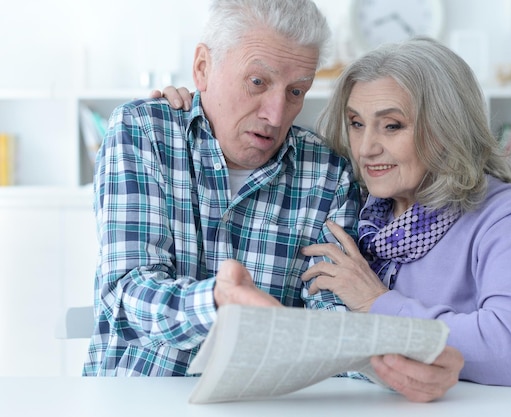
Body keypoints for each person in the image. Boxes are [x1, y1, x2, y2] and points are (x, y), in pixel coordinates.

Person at [85, 0, 462, 402]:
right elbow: (126, 294)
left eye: (297, 90)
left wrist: (400, 367)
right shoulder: (143, 131)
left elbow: (329, 319)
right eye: (257, 82)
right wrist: (218, 302)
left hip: (264, 405)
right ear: (202, 69)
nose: (276, 113)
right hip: (136, 395)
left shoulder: (327, 171)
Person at [296, 36, 511, 386]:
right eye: (356, 123)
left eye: (392, 125)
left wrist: (378, 304)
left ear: (446, 128)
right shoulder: (357, 212)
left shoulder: (507, 215)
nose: (365, 148)